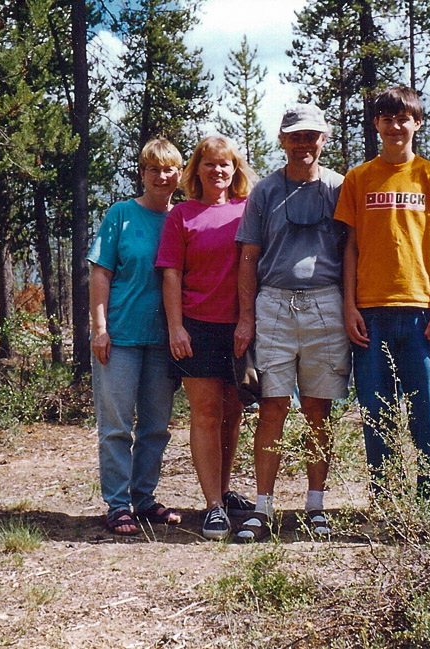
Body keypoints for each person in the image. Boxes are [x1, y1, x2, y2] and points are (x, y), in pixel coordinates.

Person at [334, 86, 430, 495]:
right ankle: (390, 502)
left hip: (421, 311)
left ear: (417, 123)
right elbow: (351, 248)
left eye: (403, 118)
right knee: (377, 413)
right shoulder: (358, 178)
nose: (395, 126)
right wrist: (349, 306)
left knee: (428, 413)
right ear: (376, 124)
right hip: (370, 313)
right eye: (387, 118)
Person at [233, 104, 349, 542]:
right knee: (272, 406)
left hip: (327, 304)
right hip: (275, 305)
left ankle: (315, 505)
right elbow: (248, 257)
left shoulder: (340, 187)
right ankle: (262, 508)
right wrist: (247, 318)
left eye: (311, 135)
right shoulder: (264, 191)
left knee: (318, 409)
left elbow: (352, 253)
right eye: (295, 136)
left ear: (323, 139)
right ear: (282, 140)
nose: (304, 143)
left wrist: (349, 306)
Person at [156, 135, 258, 540]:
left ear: (236, 169)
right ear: (195, 170)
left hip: (241, 327)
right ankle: (212, 506)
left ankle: (225, 488)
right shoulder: (181, 215)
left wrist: (248, 322)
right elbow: (171, 274)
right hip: (196, 326)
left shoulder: (247, 210)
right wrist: (176, 327)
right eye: (209, 163)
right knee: (206, 414)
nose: (218, 170)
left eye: (225, 164)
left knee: (233, 414)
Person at [88, 137, 184, 535]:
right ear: (141, 173)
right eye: (153, 169)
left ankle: (144, 499)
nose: (161, 176)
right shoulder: (121, 215)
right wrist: (100, 328)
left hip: (164, 341)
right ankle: (118, 504)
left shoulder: (182, 218)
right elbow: (101, 273)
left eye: (168, 169)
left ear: (179, 174)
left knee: (156, 426)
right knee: (116, 426)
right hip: (121, 337)